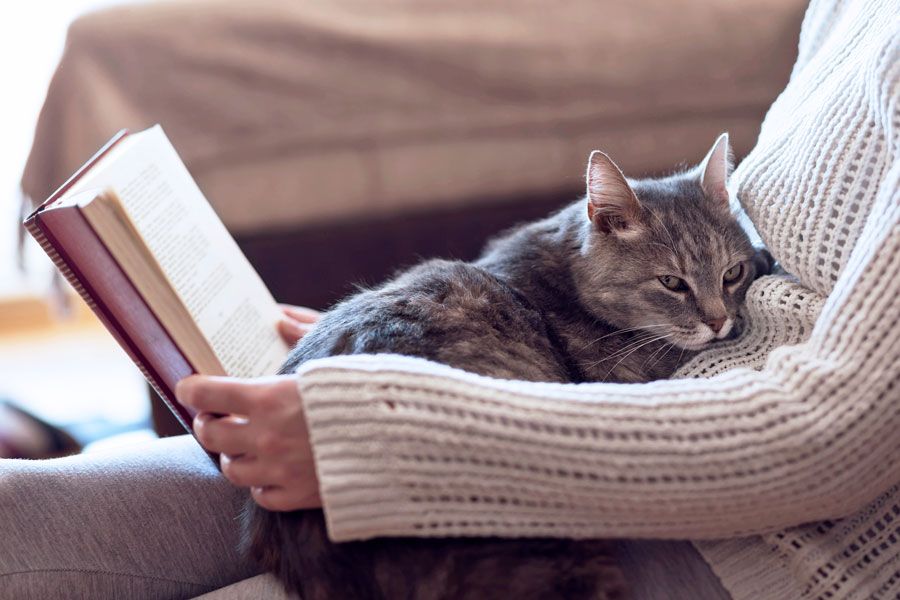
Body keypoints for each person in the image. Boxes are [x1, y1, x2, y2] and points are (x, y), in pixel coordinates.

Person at [1, 0, 897, 598]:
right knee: (24, 514)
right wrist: (397, 351)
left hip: (747, 534)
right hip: (576, 432)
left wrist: (397, 428)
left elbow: (834, 440)